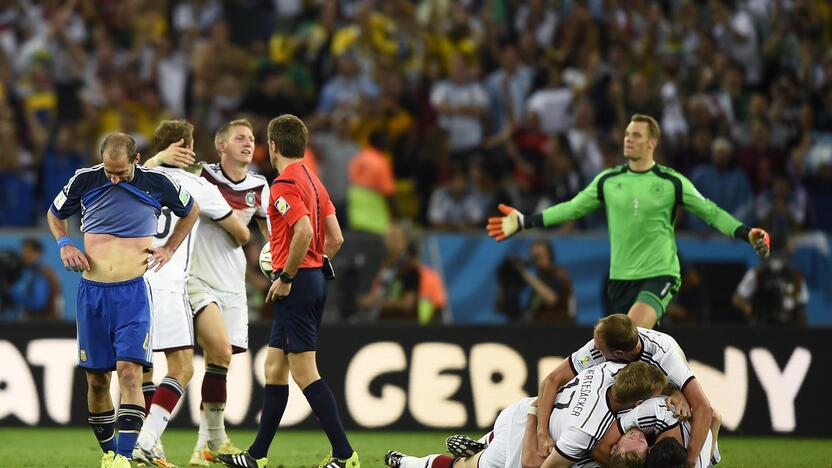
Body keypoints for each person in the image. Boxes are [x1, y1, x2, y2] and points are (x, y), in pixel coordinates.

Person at [487, 114, 772, 330]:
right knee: (630, 354)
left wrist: (746, 233)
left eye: (636, 135)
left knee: (629, 333)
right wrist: (524, 221)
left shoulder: (671, 181)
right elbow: (572, 209)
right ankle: (676, 391)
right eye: (626, 134)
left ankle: (683, 392)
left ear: (652, 142)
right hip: (621, 279)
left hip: (660, 272)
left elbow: (711, 212)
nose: (628, 139)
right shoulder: (608, 180)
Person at [46, 133, 199, 468]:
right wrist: (65, 244)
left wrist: (170, 247)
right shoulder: (84, 180)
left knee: (130, 373)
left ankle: (125, 457)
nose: (114, 179)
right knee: (97, 381)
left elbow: (192, 210)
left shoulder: (157, 183)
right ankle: (112, 452)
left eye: (121, 173)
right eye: (109, 171)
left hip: (132, 294)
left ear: (137, 159)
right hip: (92, 294)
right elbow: (54, 215)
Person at [218, 114, 357, 468]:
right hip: (312, 279)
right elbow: (335, 238)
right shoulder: (314, 181)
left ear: (273, 146)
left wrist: (290, 275)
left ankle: (345, 454)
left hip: (296, 284)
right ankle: (257, 456)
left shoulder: (282, 185)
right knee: (274, 368)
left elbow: (305, 232)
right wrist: (314, 266)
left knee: (304, 372)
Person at [131, 121, 250, 466]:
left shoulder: (136, 179)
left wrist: (152, 160)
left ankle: (152, 447)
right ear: (189, 147)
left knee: (142, 371)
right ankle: (148, 440)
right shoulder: (199, 186)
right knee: (181, 367)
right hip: (169, 284)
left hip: (133, 284)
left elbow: (124, 170)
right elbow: (241, 234)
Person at [183, 119, 271, 466]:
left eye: (251, 138)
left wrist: (278, 266)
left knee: (221, 360)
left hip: (232, 282)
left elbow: (267, 233)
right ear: (221, 146)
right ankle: (207, 442)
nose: (249, 143)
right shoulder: (200, 176)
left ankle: (207, 444)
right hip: (197, 277)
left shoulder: (259, 185)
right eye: (240, 138)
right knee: (217, 350)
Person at [385, 361, 667, 468]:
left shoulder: (606, 370)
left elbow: (551, 381)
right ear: (638, 400)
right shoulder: (587, 431)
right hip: (525, 429)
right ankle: (482, 447)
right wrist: (535, 420)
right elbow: (533, 464)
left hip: (525, 410)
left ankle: (405, 461)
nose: (641, 436)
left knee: (467, 467)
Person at [534, 314, 709, 468]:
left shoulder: (664, 355)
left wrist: (691, 462)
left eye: (598, 347)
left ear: (617, 353)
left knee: (707, 416)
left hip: (661, 389)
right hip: (626, 403)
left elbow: (703, 407)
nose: (593, 349)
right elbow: (551, 380)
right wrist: (542, 433)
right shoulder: (602, 346)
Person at [9, 238, 61, 320]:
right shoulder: (31, 272)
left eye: (28, 253)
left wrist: (11, 293)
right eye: (22, 252)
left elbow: (38, 303)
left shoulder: (42, 274)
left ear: (38, 253)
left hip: (44, 326)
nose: (24, 256)